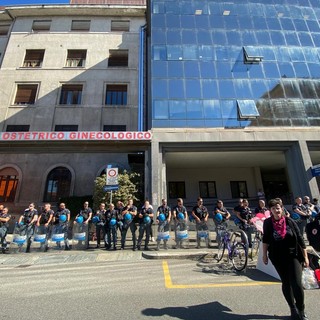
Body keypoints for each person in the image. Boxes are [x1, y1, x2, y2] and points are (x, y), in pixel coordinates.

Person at [263, 199, 309, 320]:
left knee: (297, 284)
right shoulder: (268, 223)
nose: (276, 210)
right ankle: (292, 309)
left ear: (282, 208)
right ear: (270, 211)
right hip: (277, 257)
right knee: (286, 282)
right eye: (273, 209)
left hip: (293, 255)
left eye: (277, 208)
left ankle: (301, 310)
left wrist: (305, 256)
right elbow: (266, 239)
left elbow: (300, 239)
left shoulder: (290, 221)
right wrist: (264, 255)